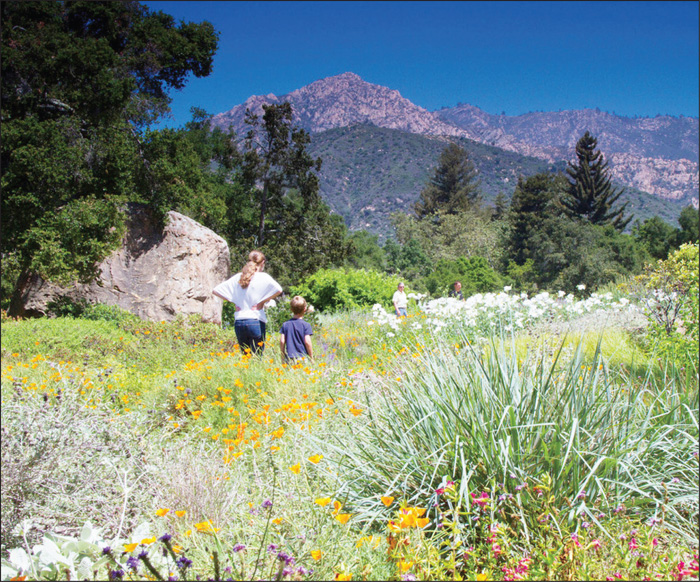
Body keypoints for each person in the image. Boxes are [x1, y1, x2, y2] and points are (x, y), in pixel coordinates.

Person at [212, 250, 282, 355]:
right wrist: (261, 302)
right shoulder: (263, 277)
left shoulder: (238, 277)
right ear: (262, 263)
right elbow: (278, 289)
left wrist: (234, 301)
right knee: (257, 357)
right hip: (255, 320)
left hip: (239, 321)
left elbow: (216, 290)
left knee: (246, 357)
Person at [279, 295, 313, 362]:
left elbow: (282, 341)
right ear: (305, 309)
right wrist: (311, 358)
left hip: (289, 358)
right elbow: (307, 342)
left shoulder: (285, 325)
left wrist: (282, 358)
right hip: (302, 358)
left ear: (291, 309)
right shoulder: (306, 325)